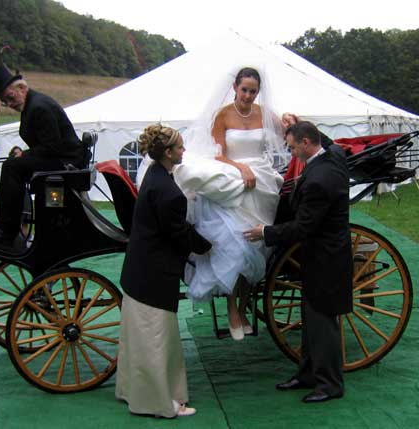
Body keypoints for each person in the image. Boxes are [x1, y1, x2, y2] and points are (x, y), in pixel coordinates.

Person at [173, 67, 289, 340]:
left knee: (257, 249)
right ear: (235, 88)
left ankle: (243, 305)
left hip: (263, 186)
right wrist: (240, 168)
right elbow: (218, 155)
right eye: (244, 90)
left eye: (253, 91)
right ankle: (231, 308)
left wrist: (292, 120)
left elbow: (288, 132)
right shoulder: (222, 115)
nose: (248, 96)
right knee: (235, 248)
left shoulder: (264, 114)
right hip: (234, 181)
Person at [243, 121, 353, 403]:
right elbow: (330, 143)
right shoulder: (334, 156)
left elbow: (303, 227)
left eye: (292, 147)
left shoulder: (319, 179)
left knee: (323, 324)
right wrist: (298, 121)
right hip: (323, 255)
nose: (291, 153)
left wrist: (265, 233)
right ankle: (307, 375)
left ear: (306, 143)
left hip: (325, 258)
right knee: (310, 319)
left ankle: (330, 385)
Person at [115, 124, 212, 418]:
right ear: (168, 153)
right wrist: (209, 244)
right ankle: (159, 403)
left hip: (139, 270)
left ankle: (133, 391)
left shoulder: (154, 175)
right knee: (156, 341)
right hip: (154, 276)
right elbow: (179, 236)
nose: (184, 151)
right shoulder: (170, 193)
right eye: (180, 147)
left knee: (140, 339)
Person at [0, 63, 87, 245]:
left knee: (12, 167)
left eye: (10, 98)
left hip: (66, 162)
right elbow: (45, 143)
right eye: (5, 102)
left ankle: (7, 228)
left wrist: (25, 155)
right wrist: (24, 153)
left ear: (22, 88)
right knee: (14, 164)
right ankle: (9, 224)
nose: (10, 104)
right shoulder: (32, 104)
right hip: (61, 158)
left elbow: (52, 146)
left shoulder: (38, 107)